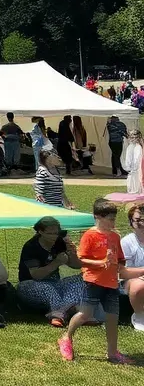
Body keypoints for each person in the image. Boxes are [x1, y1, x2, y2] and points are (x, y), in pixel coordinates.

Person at [59, 199, 134, 364]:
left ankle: (113, 353)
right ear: (97, 217)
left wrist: (119, 264)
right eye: (110, 219)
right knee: (85, 314)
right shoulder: (90, 235)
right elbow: (81, 260)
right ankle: (66, 338)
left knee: (113, 318)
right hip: (93, 281)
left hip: (112, 282)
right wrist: (101, 263)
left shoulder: (114, 236)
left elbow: (120, 258)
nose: (113, 223)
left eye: (114, 219)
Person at [16, 216, 85, 327]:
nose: (54, 236)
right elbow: (36, 275)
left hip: (56, 283)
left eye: (56, 233)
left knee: (82, 279)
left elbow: (76, 265)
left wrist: (72, 254)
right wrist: (56, 262)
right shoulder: (31, 246)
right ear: (40, 232)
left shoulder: (59, 242)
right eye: (50, 234)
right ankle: (60, 314)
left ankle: (64, 309)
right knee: (48, 289)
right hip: (29, 285)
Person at [119, 201, 144, 331]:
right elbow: (123, 272)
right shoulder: (127, 242)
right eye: (138, 220)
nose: (142, 223)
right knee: (139, 285)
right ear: (131, 222)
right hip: (130, 280)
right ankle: (139, 316)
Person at [123, 129, 144, 195]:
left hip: (137, 168)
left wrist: (135, 167)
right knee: (131, 178)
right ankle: (132, 190)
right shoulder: (130, 147)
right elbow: (128, 158)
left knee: (137, 178)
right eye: (132, 137)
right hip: (131, 168)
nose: (133, 139)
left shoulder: (138, 147)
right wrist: (128, 166)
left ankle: (137, 190)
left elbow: (138, 158)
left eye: (135, 137)